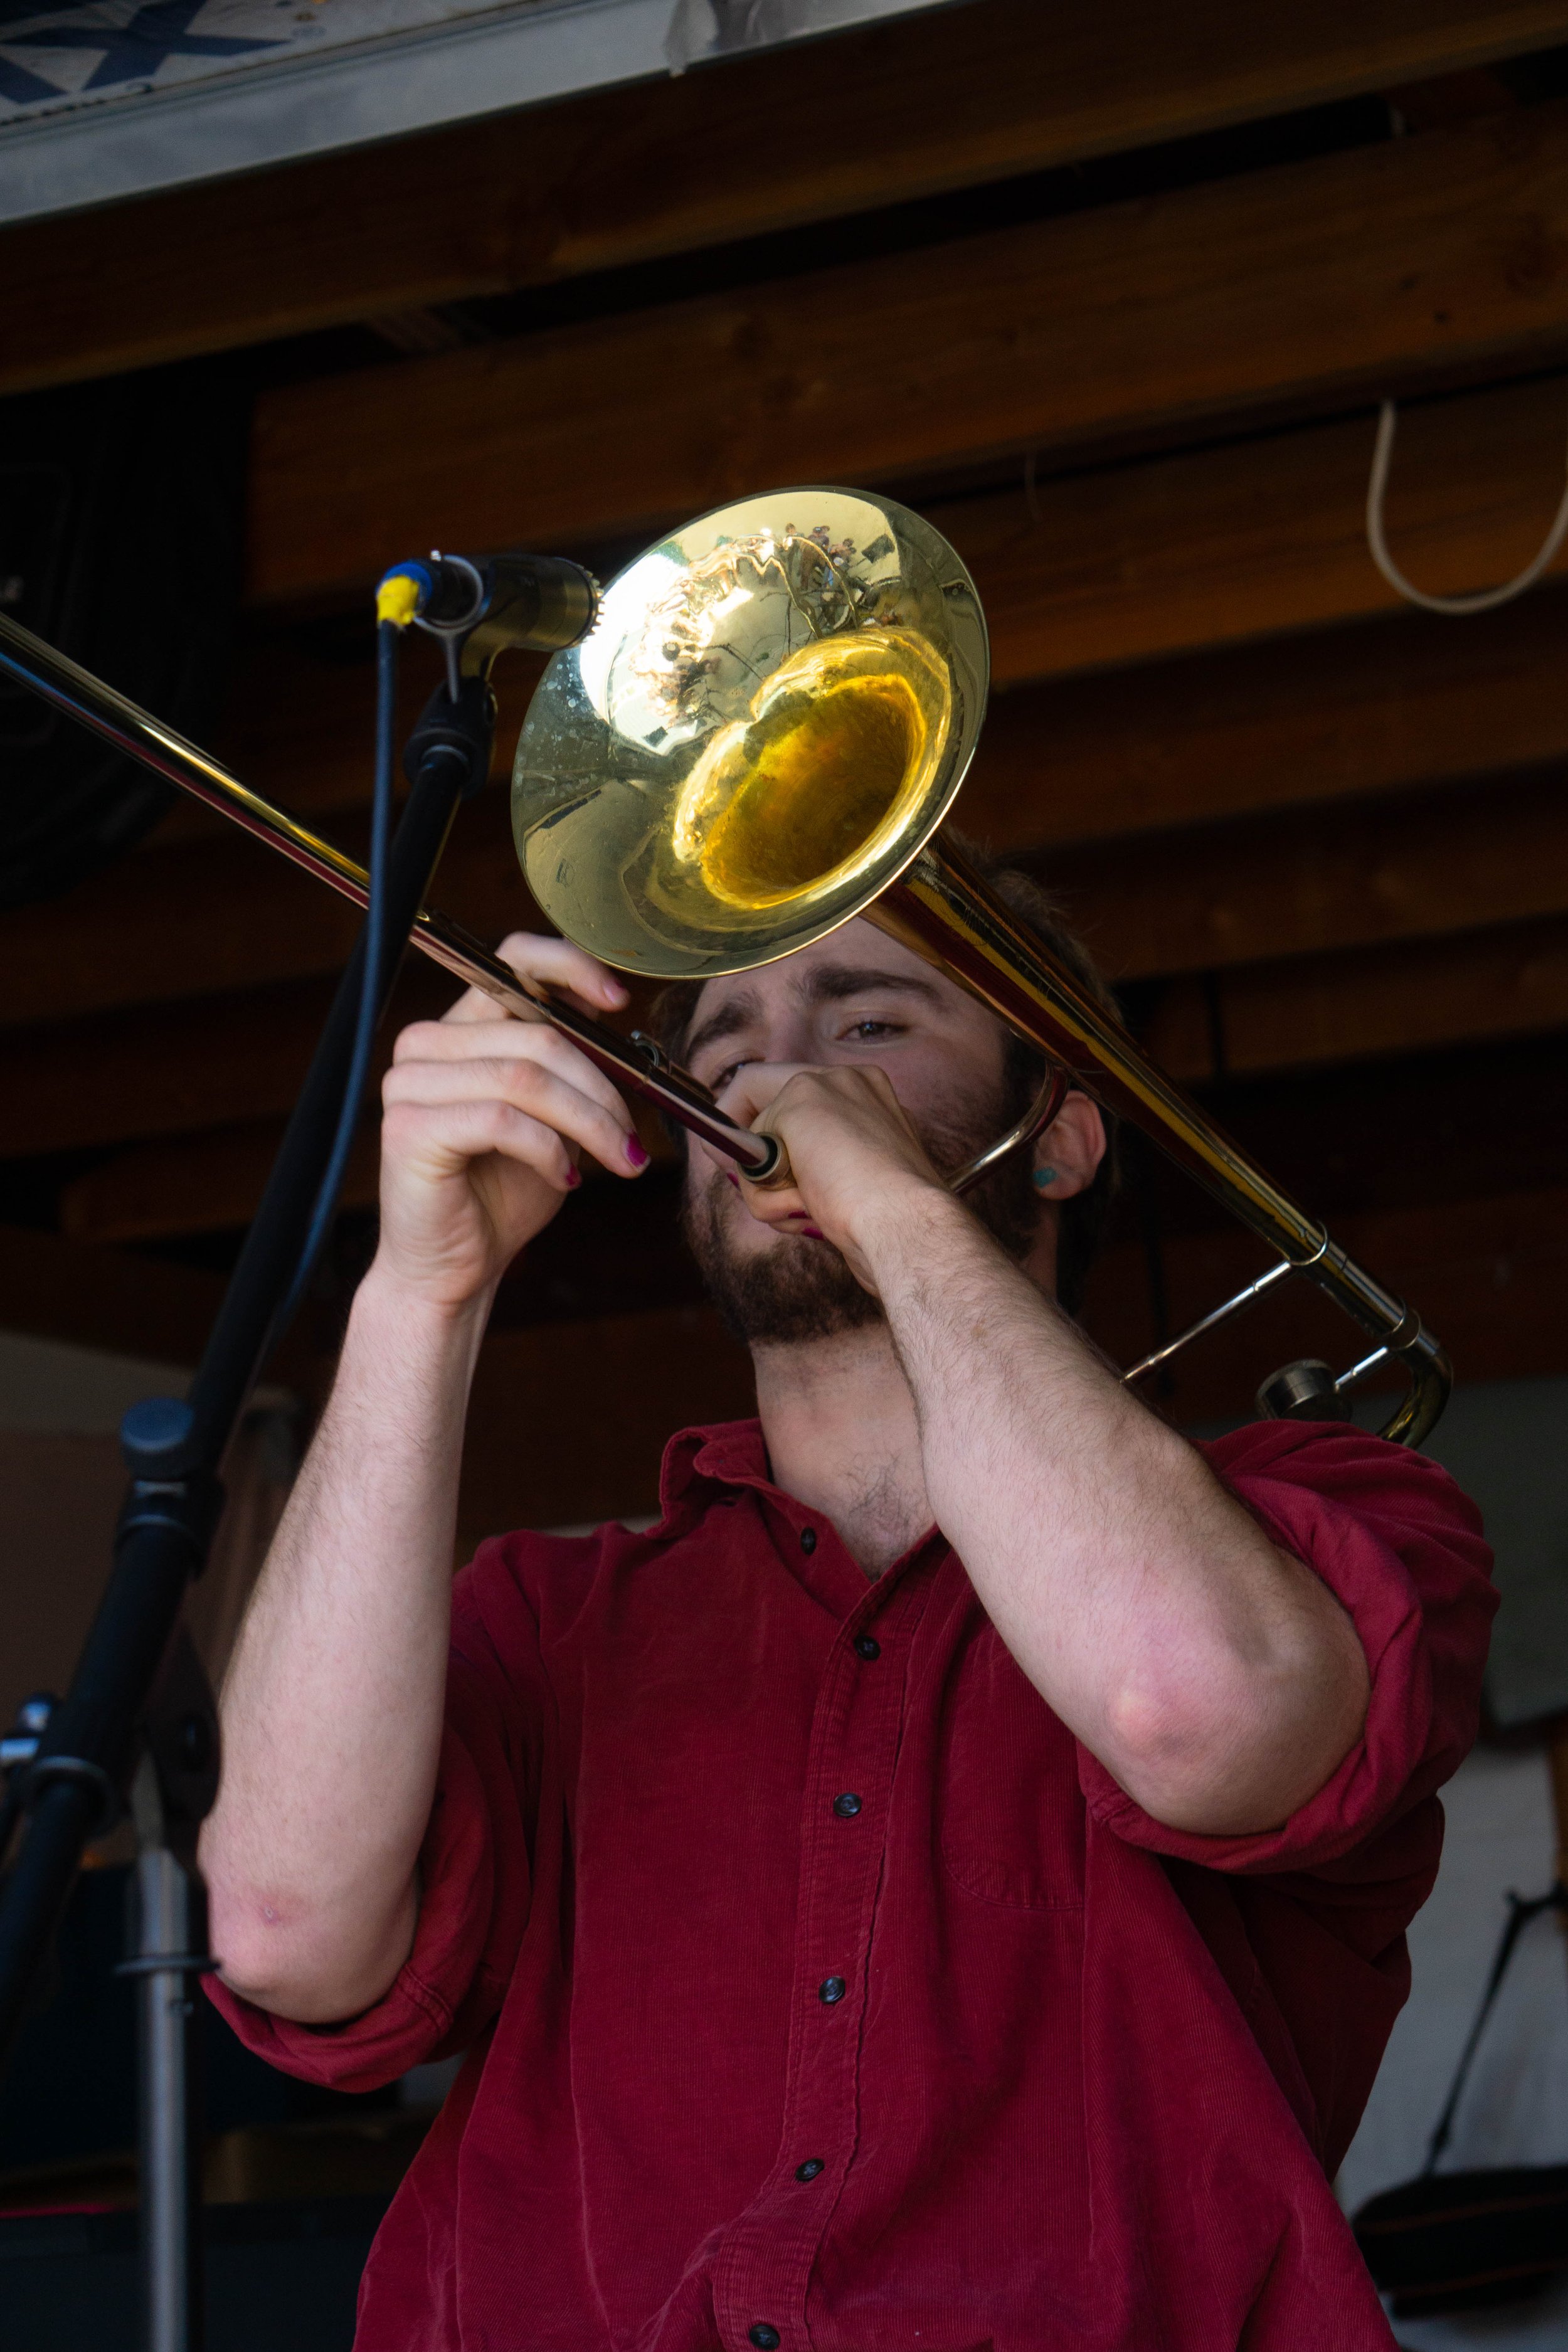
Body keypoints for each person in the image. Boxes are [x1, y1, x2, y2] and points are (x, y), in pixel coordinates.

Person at [201, 864, 1495, 2352]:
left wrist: (886, 1202)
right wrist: (420, 1292)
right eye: (724, 1050)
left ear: (1058, 1138)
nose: (778, 1073)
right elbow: (286, 1933)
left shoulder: (1325, 1521)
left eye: (868, 1021)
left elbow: (1191, 1709)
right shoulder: (548, 1618)